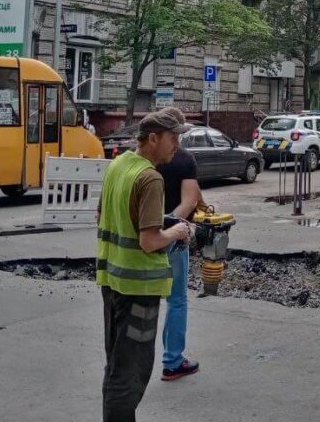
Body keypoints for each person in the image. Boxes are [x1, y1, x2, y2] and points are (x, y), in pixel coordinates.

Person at [97, 108, 194, 422]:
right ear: (153, 138)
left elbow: (103, 216)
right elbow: (150, 241)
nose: (176, 145)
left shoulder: (119, 164)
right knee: (131, 372)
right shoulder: (150, 177)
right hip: (138, 288)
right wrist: (177, 230)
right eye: (172, 137)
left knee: (116, 364)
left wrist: (156, 223)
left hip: (112, 282)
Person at [155, 108, 209, 382]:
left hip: (143, 238)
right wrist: (170, 228)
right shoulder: (185, 160)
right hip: (175, 240)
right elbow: (189, 202)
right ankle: (172, 361)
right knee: (176, 300)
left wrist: (153, 228)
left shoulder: (141, 160)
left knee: (143, 300)